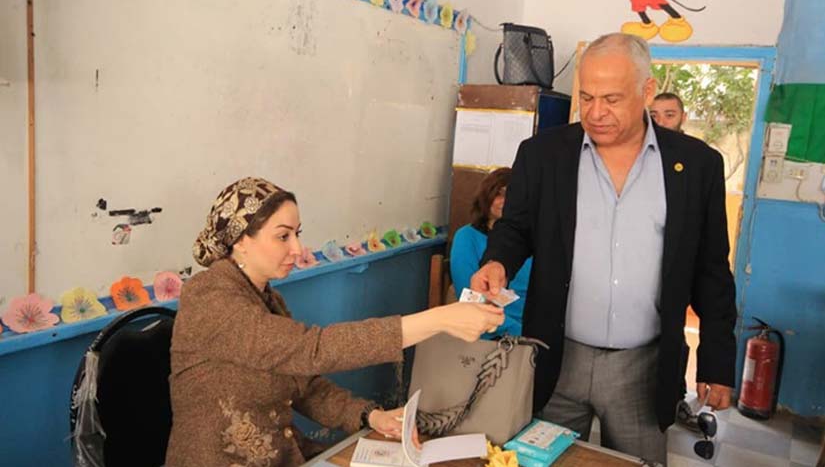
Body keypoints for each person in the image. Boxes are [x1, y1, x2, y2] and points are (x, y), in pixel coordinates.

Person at [471, 33, 736, 465]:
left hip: (643, 367)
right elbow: (516, 227)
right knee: (543, 461)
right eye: (587, 97)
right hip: (557, 356)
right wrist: (497, 261)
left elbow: (711, 270)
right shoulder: (543, 155)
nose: (596, 113)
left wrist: (717, 362)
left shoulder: (696, 165)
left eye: (612, 99)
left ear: (646, 90)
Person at [166, 177, 504, 467]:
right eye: (283, 237)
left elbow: (303, 383)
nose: (297, 248)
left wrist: (370, 415)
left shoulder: (267, 298)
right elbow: (313, 349)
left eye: (297, 234)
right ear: (241, 240)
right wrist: (438, 319)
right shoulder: (208, 298)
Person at [650, 91, 700, 432]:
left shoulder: (696, 159)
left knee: (673, 335)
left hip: (677, 264)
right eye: (654, 114)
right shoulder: (641, 155)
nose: (661, 121)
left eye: (669, 114)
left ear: (682, 117)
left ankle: (675, 395)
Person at [450, 168, 531, 338]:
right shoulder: (467, 236)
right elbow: (469, 296)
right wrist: (520, 333)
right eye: (499, 194)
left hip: (534, 328)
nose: (506, 201)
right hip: (491, 331)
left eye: (513, 195)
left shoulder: (533, 241)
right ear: (486, 197)